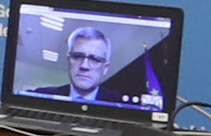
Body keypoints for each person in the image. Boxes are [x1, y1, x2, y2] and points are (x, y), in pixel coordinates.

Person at [20, 18, 167, 112]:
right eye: (78, 56)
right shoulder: (42, 96)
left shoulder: (121, 105)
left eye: (95, 59)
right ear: (68, 59)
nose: (84, 65)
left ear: (106, 68)